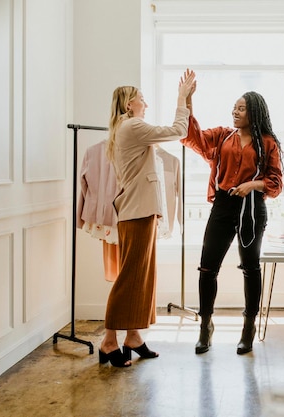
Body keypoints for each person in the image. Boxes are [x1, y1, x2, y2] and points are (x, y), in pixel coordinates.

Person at [99, 69, 196, 367]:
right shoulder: (133, 127)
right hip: (136, 212)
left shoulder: (128, 128)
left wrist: (186, 100)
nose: (146, 103)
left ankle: (133, 337)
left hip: (140, 211)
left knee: (142, 277)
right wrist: (181, 98)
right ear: (130, 104)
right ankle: (108, 341)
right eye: (142, 98)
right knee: (130, 277)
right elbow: (178, 131)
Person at [181, 90, 284, 355]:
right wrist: (188, 101)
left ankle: (248, 328)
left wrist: (252, 184)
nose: (235, 112)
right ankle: (205, 326)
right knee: (207, 268)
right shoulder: (223, 135)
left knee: (250, 267)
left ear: (254, 112)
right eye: (234, 108)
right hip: (223, 205)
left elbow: (276, 182)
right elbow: (195, 139)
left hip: (251, 208)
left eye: (240, 109)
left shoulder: (268, 143)